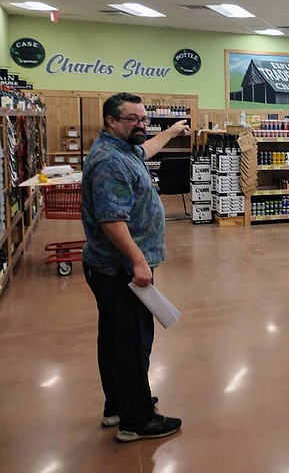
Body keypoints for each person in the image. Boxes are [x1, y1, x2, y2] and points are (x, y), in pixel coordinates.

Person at [82, 92, 190, 442]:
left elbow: (149, 148)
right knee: (132, 341)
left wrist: (172, 131)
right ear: (111, 121)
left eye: (143, 119)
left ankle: (117, 404)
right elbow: (112, 220)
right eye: (133, 119)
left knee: (114, 337)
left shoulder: (124, 149)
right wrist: (138, 261)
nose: (141, 124)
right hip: (121, 269)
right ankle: (137, 420)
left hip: (113, 266)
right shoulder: (110, 161)